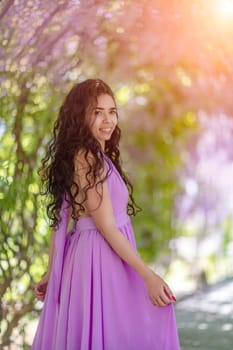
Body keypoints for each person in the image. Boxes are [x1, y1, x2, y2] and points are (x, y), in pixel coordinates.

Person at [31, 79, 180, 350]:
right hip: (99, 257)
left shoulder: (88, 155)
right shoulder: (88, 158)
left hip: (94, 255)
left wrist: (51, 270)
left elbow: (59, 222)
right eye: (97, 112)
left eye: (112, 112)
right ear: (80, 115)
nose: (107, 120)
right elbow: (106, 226)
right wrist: (148, 276)